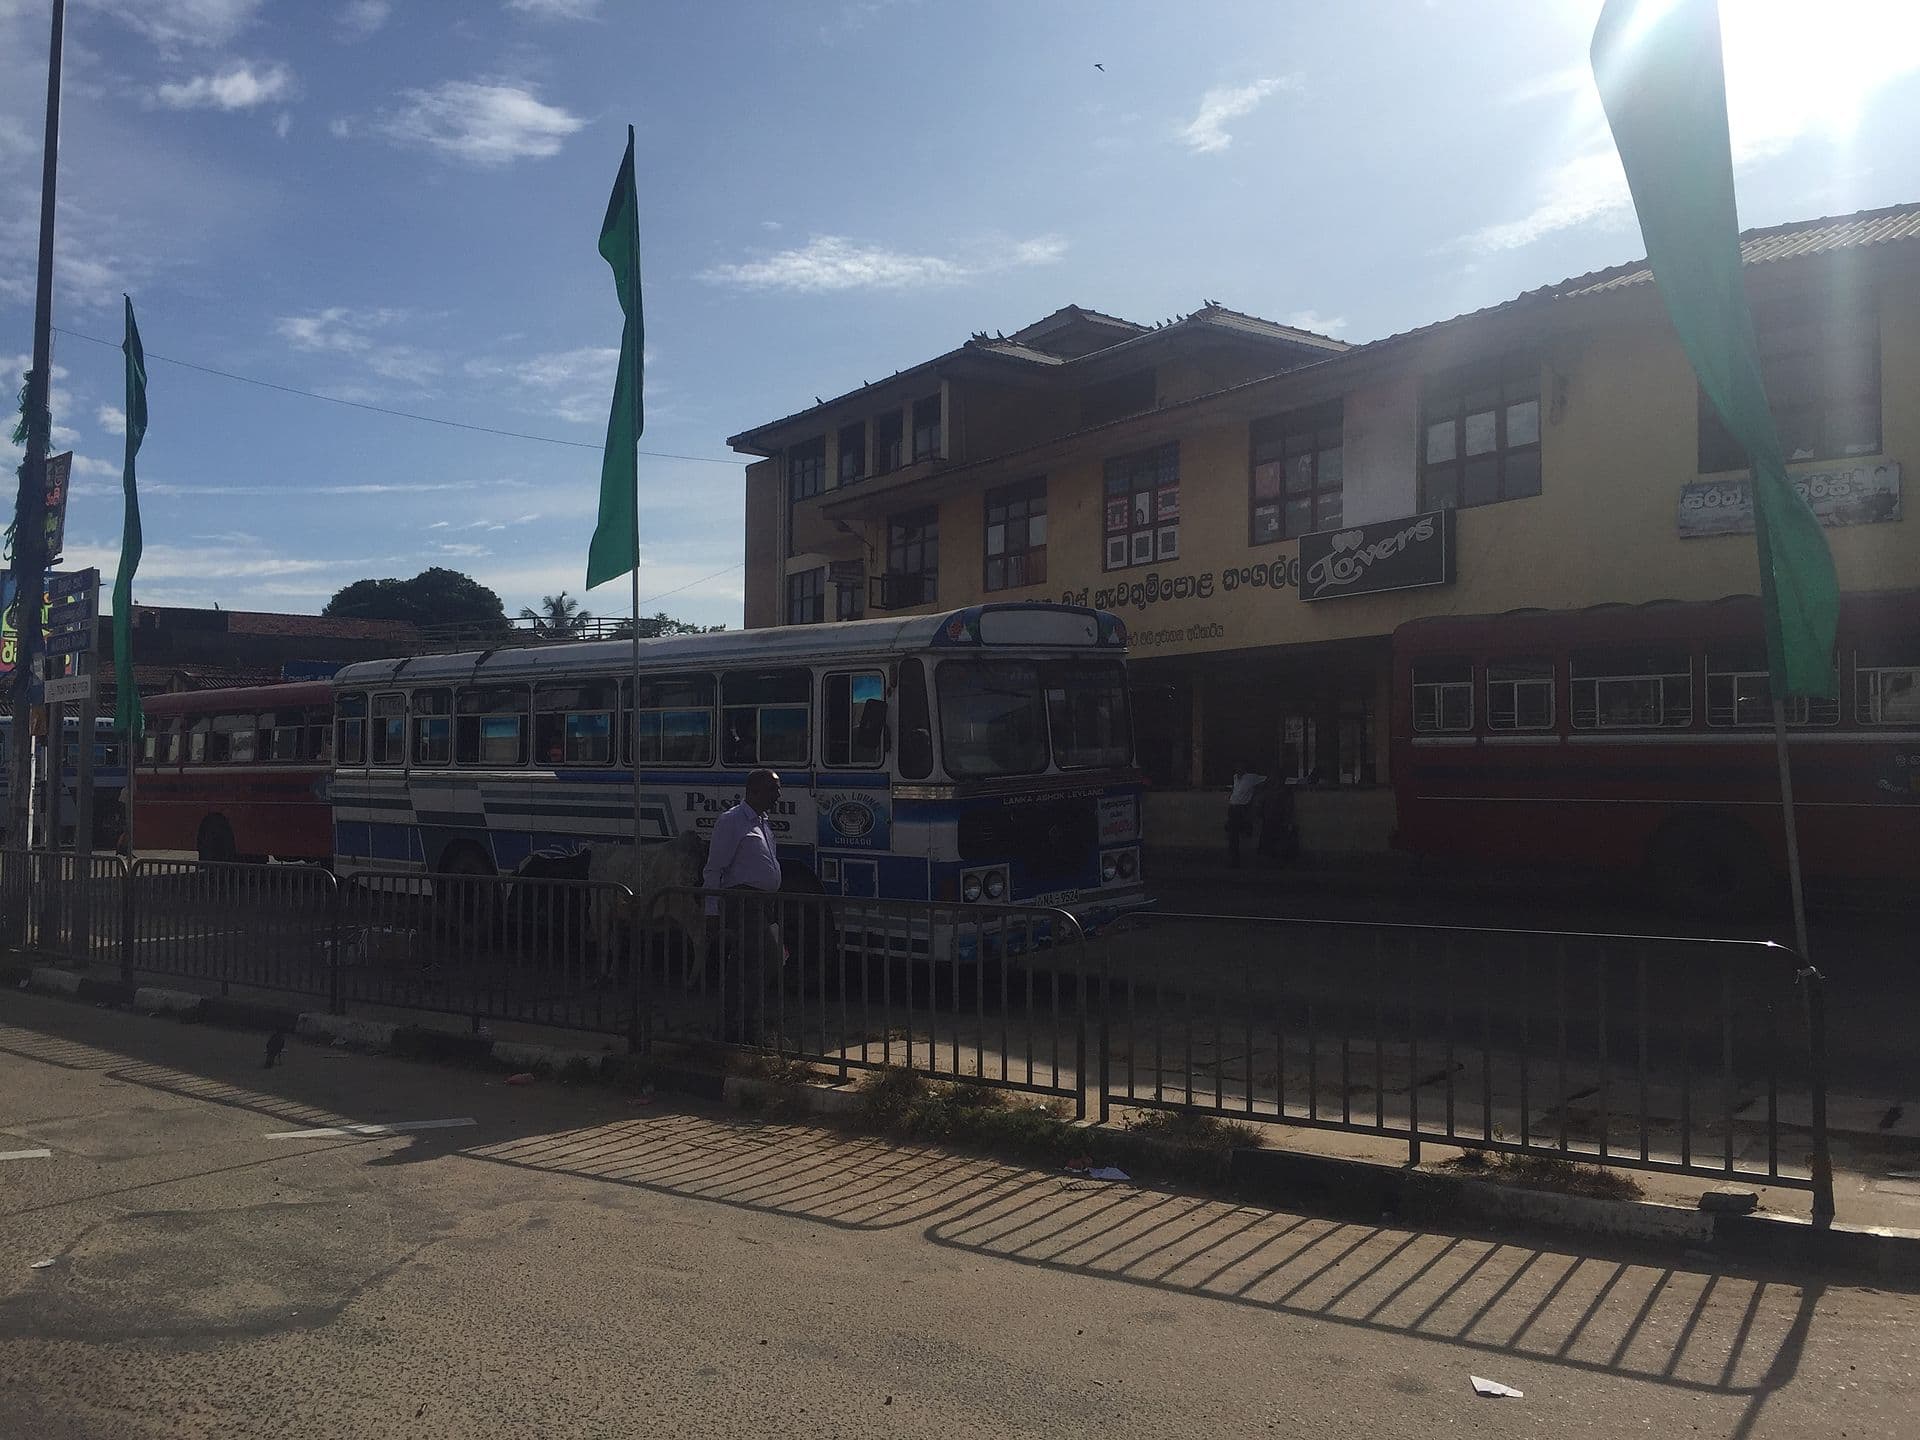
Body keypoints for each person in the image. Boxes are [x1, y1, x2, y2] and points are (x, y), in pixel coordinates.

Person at [702, 768, 786, 1042]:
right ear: (754, 791)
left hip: (763, 904)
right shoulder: (732, 821)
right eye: (773, 789)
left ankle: (736, 1025)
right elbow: (714, 868)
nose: (778, 795)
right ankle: (747, 1028)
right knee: (760, 961)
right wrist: (711, 909)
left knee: (754, 963)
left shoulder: (763, 823)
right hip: (743, 902)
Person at [1225, 761, 1267, 868]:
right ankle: (1234, 858)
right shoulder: (1235, 777)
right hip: (1233, 807)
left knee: (1235, 833)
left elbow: (1267, 780)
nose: (1238, 769)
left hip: (1241, 808)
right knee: (1233, 834)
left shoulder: (1251, 778)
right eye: (1237, 767)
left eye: (1240, 767)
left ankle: (1236, 859)